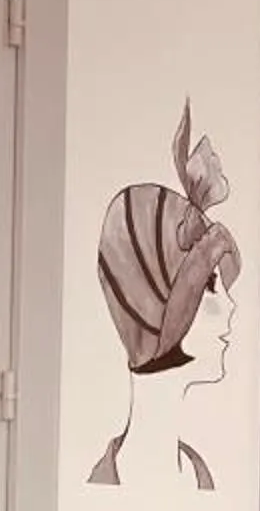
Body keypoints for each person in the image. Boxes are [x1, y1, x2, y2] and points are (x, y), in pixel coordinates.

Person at [87, 101, 243, 489]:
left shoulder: (202, 479)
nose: (231, 306)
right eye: (208, 289)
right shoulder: (102, 489)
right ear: (151, 310)